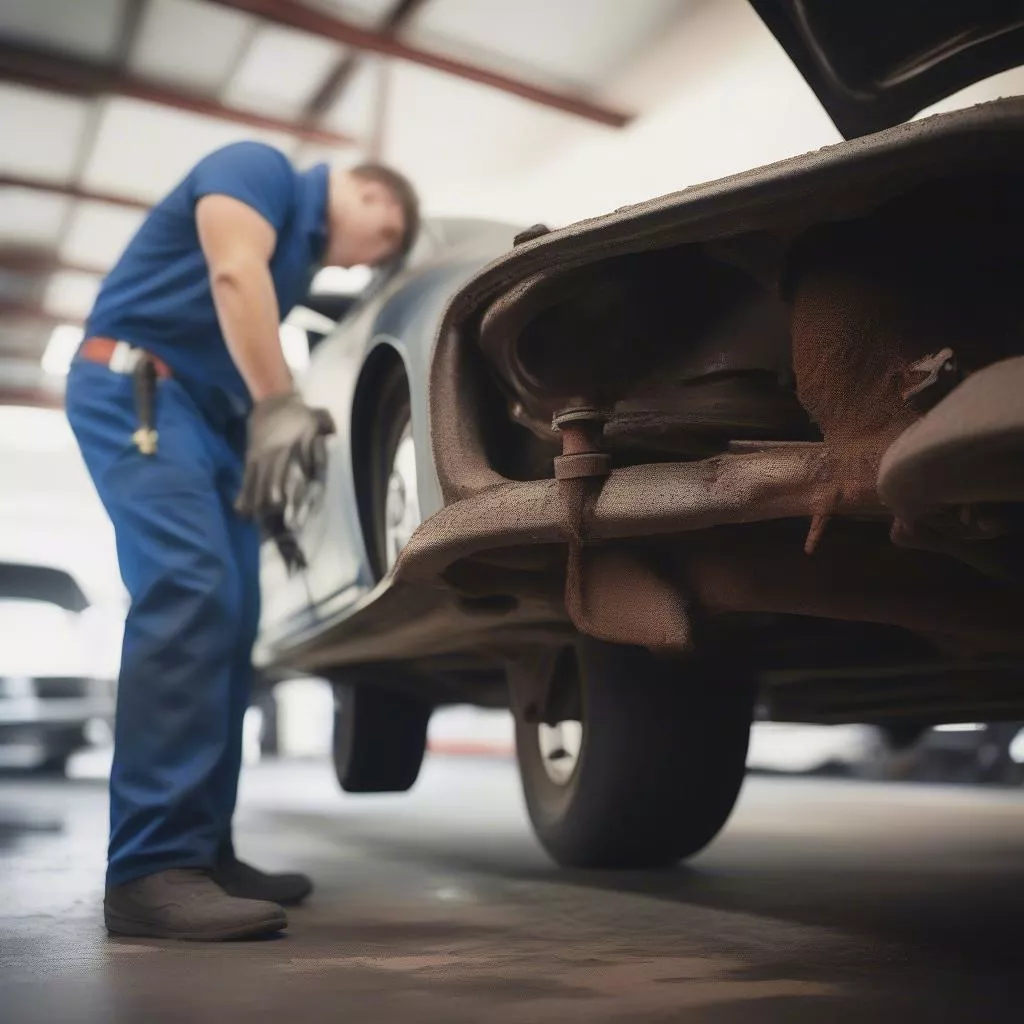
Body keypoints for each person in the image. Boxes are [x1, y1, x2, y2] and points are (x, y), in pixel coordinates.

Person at [65, 141, 419, 941]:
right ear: (362, 189)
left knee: (230, 615)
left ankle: (201, 851)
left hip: (207, 417)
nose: (373, 255)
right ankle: (150, 871)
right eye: (383, 231)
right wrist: (279, 403)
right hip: (138, 385)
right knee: (189, 592)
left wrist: (257, 445)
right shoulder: (258, 170)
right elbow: (232, 274)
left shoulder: (295, 260)